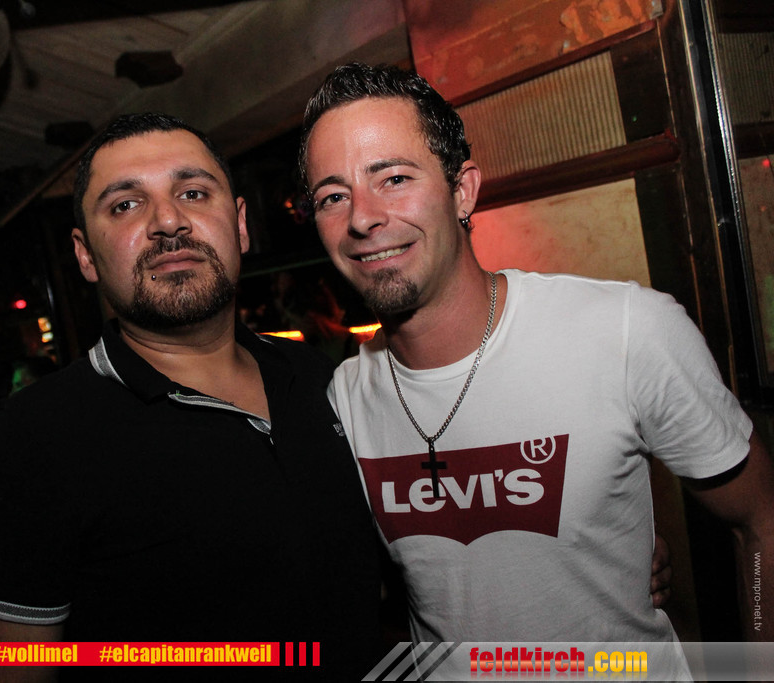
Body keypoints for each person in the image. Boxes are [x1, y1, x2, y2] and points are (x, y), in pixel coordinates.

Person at [298, 62, 774, 659]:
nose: (362, 217)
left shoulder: (625, 331)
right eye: (333, 196)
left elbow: (761, 520)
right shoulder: (343, 398)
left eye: (393, 178)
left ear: (462, 190)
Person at [0, 113, 381, 680]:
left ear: (240, 225)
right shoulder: (33, 439)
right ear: (85, 256)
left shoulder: (318, 378)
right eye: (125, 205)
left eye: (193, 193)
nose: (167, 221)